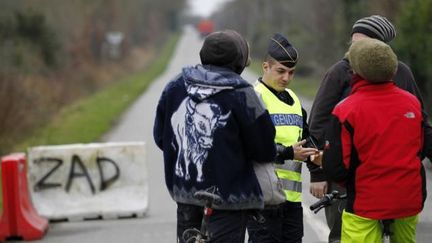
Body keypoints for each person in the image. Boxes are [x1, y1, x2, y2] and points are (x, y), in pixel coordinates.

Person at [307, 15, 432, 243]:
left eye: (361, 43)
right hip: (349, 173)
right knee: (339, 233)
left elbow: (422, 127)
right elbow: (318, 123)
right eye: (352, 42)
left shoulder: (402, 73)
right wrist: (318, 173)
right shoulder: (338, 72)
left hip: (391, 178)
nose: (353, 49)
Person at [153, 30, 277, 243]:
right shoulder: (244, 94)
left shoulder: (174, 86)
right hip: (231, 198)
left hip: (186, 191)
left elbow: (161, 137)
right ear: (238, 61)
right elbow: (265, 148)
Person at [247, 33, 320, 243]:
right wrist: (289, 152)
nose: (286, 78)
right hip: (263, 199)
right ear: (265, 67)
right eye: (281, 71)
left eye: (291, 72)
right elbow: (252, 146)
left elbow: (306, 139)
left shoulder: (295, 100)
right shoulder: (254, 97)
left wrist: (318, 159)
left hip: (292, 201)